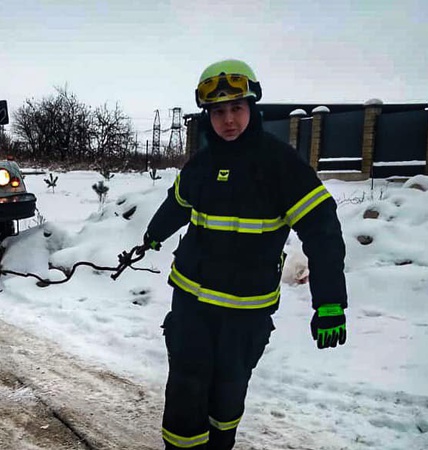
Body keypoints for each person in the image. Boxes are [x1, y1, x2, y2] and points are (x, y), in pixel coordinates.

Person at [137, 59, 348, 449]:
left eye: (236, 108)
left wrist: (331, 302)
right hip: (191, 306)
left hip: (245, 314)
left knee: (227, 399)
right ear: (208, 116)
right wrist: (151, 236)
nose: (228, 120)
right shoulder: (200, 165)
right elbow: (177, 204)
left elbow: (322, 232)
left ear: (253, 108)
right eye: (218, 111)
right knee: (185, 395)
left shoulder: (280, 164)